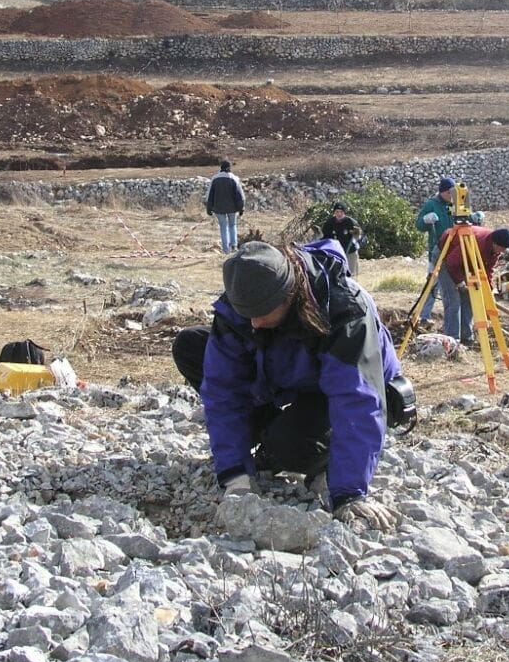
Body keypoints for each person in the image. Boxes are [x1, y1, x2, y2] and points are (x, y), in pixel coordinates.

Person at [171, 240, 400, 530]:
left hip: (345, 390)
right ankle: (266, 441)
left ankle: (320, 462)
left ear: (290, 295)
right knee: (192, 346)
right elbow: (222, 389)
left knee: (290, 443)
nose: (253, 323)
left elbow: (355, 399)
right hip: (286, 375)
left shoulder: (344, 308)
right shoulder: (244, 298)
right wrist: (235, 474)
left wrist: (349, 493)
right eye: (247, 314)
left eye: (262, 313)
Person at [442, 226, 509, 345]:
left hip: (466, 262)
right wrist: (459, 282)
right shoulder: (477, 242)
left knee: (468, 298)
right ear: (495, 243)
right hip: (446, 256)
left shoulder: (494, 250)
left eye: (504, 250)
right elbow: (451, 262)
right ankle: (452, 342)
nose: (501, 252)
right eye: (501, 248)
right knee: (453, 300)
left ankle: (466, 338)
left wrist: (489, 291)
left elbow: (488, 270)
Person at [415, 176, 457, 328]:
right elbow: (419, 225)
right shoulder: (431, 205)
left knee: (452, 288)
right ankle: (423, 316)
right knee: (433, 285)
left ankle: (450, 323)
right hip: (437, 250)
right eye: (449, 193)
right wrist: (425, 220)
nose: (452, 196)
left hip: (455, 251)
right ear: (443, 192)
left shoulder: (454, 205)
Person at [205, 159, 245, 254]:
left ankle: (225, 250)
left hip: (219, 208)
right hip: (232, 208)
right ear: (229, 167)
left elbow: (209, 195)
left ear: (221, 167)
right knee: (232, 225)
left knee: (223, 227)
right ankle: (234, 246)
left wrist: (209, 208)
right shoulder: (234, 178)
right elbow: (240, 195)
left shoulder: (215, 178)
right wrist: (241, 208)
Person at [321, 202, 362, 276]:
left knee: (350, 275)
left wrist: (356, 235)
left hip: (350, 252)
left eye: (341, 212)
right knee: (337, 275)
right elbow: (325, 237)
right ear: (334, 212)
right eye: (337, 212)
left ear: (344, 212)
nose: (339, 214)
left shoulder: (351, 222)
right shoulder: (329, 223)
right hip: (336, 253)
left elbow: (359, 237)